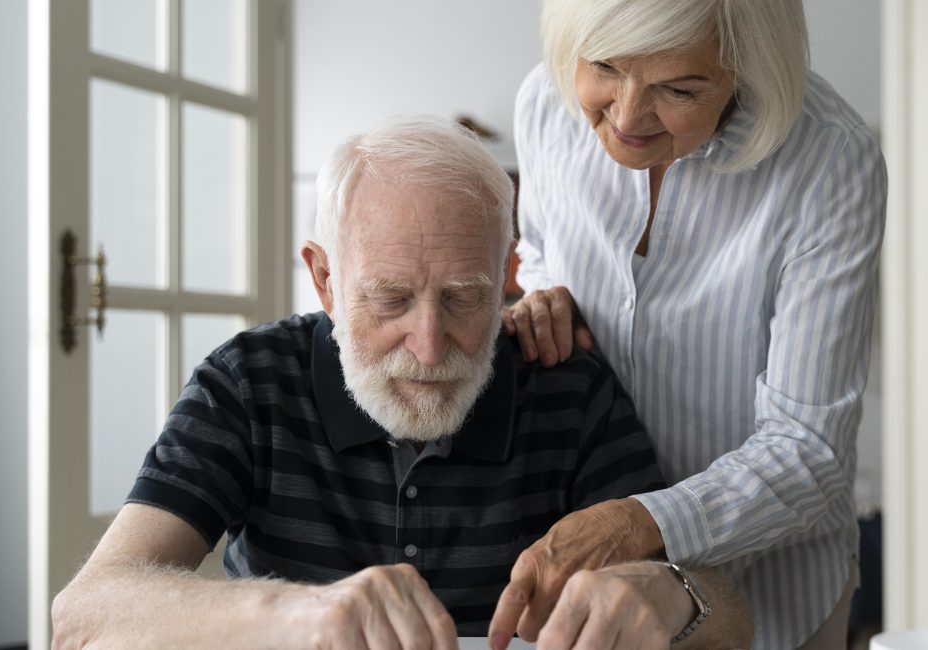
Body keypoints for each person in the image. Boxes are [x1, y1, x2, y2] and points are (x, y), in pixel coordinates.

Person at [51, 116, 751, 649]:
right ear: (325, 278)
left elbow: (734, 615)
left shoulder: (569, 390)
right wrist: (298, 612)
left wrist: (675, 595)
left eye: (463, 298)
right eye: (389, 300)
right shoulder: (249, 382)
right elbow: (82, 614)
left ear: (509, 271)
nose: (427, 345)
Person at [490, 1, 887, 649]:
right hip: (592, 587)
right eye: (606, 68)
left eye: (679, 88)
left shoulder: (830, 160)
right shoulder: (543, 102)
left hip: (773, 589)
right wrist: (540, 298)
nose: (626, 117)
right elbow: (537, 250)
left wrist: (639, 521)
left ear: (747, 68)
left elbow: (811, 450)